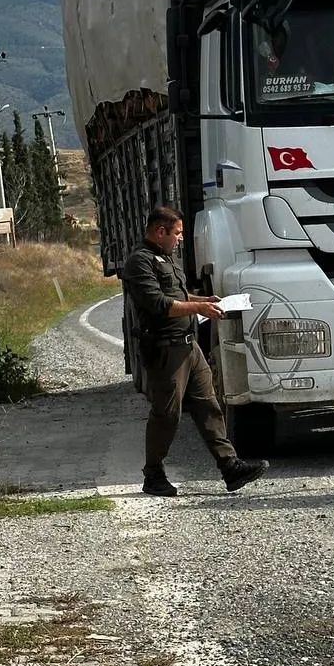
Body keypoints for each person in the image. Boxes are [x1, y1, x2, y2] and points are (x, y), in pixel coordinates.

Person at [122, 205, 268, 497]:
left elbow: (178, 296)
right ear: (160, 231)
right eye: (176, 234)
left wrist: (205, 299)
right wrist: (200, 308)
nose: (179, 240)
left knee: (209, 406)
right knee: (167, 414)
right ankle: (153, 474)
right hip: (166, 351)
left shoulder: (166, 258)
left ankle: (230, 467)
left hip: (189, 346)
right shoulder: (140, 262)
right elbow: (160, 305)